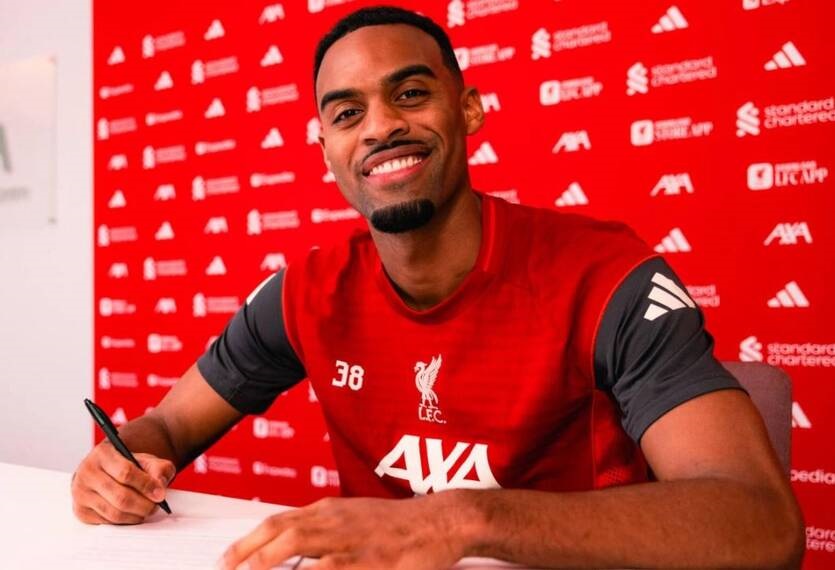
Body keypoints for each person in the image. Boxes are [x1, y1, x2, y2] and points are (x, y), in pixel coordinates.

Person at [72, 6, 804, 569]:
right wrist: (121, 462)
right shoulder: (304, 291)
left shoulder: (607, 277)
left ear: (469, 109)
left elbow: (759, 523)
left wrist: (459, 519)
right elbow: (167, 427)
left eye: (411, 93)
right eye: (347, 113)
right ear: (325, 148)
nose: (381, 127)